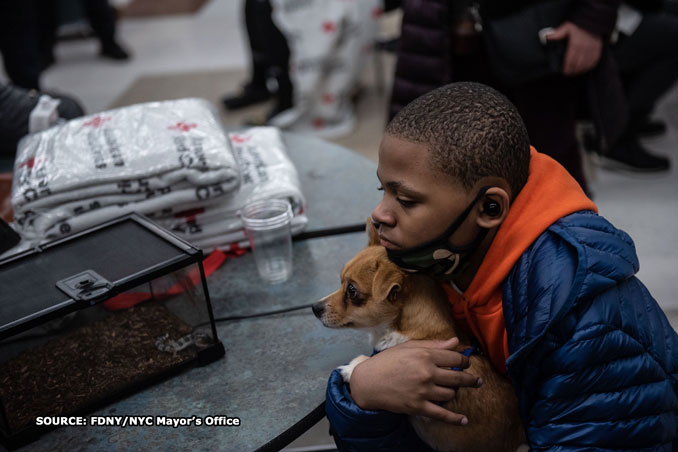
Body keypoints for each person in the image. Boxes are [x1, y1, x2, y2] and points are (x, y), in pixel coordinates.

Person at [325, 82, 678, 451]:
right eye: (384, 191)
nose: (380, 214)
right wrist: (364, 394)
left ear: (489, 208)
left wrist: (362, 392)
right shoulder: (448, 255)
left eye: (407, 200)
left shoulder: (583, 328)